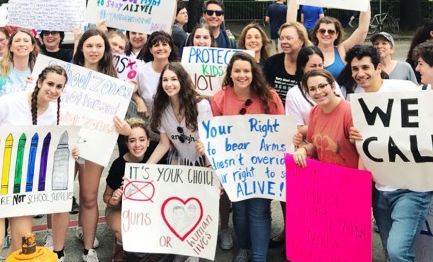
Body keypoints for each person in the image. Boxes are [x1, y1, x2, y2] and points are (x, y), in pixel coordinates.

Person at [0, 65, 74, 262]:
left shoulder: (55, 114)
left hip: (24, 185)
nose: (53, 90)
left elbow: (54, 148)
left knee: (21, 246)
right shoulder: (10, 102)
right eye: (50, 84)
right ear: (39, 83)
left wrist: (73, 150)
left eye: (59, 86)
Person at [345, 45, 429, 262]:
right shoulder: (358, 97)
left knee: (397, 251)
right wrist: (358, 138)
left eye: (365, 67)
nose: (360, 73)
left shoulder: (404, 88)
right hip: (381, 190)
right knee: (390, 252)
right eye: (355, 69)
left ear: (378, 67)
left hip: (412, 187)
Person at [205, 52, 285, 262]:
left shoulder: (269, 96)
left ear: (253, 73)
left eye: (246, 71)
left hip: (262, 166)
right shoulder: (219, 98)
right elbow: (214, 132)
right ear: (230, 73)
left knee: (258, 211)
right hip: (234, 167)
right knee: (239, 210)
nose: (242, 75)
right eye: (237, 70)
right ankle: (244, 247)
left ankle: (259, 257)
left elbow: (281, 129)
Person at [57, 28, 118, 262]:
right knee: (60, 194)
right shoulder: (66, 73)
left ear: (105, 50)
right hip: (65, 141)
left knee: (89, 197)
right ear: (81, 47)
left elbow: (115, 116)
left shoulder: (113, 82)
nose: (94, 50)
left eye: (99, 46)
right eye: (89, 45)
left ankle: (88, 247)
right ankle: (56, 244)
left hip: (94, 144)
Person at [103, 118, 152, 262]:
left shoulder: (156, 158)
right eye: (132, 140)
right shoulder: (118, 165)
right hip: (120, 209)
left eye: (142, 139)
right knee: (126, 231)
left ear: (148, 141)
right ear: (126, 143)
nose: (137, 145)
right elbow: (106, 196)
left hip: (147, 210)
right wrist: (112, 200)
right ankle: (120, 246)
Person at [148, 62, 212, 166]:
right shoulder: (161, 107)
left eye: (174, 79)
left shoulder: (201, 105)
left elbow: (209, 142)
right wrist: (143, 169)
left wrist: (211, 171)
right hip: (179, 166)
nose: (169, 84)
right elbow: (164, 145)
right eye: (165, 80)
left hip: (205, 164)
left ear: (182, 81)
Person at [292, 69, 358, 168]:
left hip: (350, 176)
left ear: (333, 86)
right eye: (312, 89)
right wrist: (303, 149)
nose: (318, 92)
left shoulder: (349, 111)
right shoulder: (314, 112)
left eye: (322, 86)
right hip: (325, 176)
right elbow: (316, 146)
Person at [286, 46, 342, 142]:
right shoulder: (293, 94)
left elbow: (342, 112)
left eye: (320, 65)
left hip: (336, 142)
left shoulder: (333, 84)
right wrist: (326, 124)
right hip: (309, 146)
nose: (318, 70)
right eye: (313, 66)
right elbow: (296, 130)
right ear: (302, 67)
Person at [0, 29, 39, 113]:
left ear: (32, 47)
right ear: (10, 47)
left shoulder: (39, 73)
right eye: (17, 41)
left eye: (26, 41)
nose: (21, 44)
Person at [263, 21, 312, 105]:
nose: (284, 42)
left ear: (301, 41)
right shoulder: (271, 62)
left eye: (288, 38)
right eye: (281, 38)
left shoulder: (310, 63)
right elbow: (262, 89)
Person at [136, 31, 179, 119]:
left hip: (175, 125)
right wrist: (138, 100)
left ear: (170, 48)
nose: (161, 48)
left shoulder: (179, 70)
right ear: (151, 50)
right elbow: (131, 89)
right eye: (156, 45)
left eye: (164, 44)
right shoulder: (141, 72)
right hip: (149, 125)